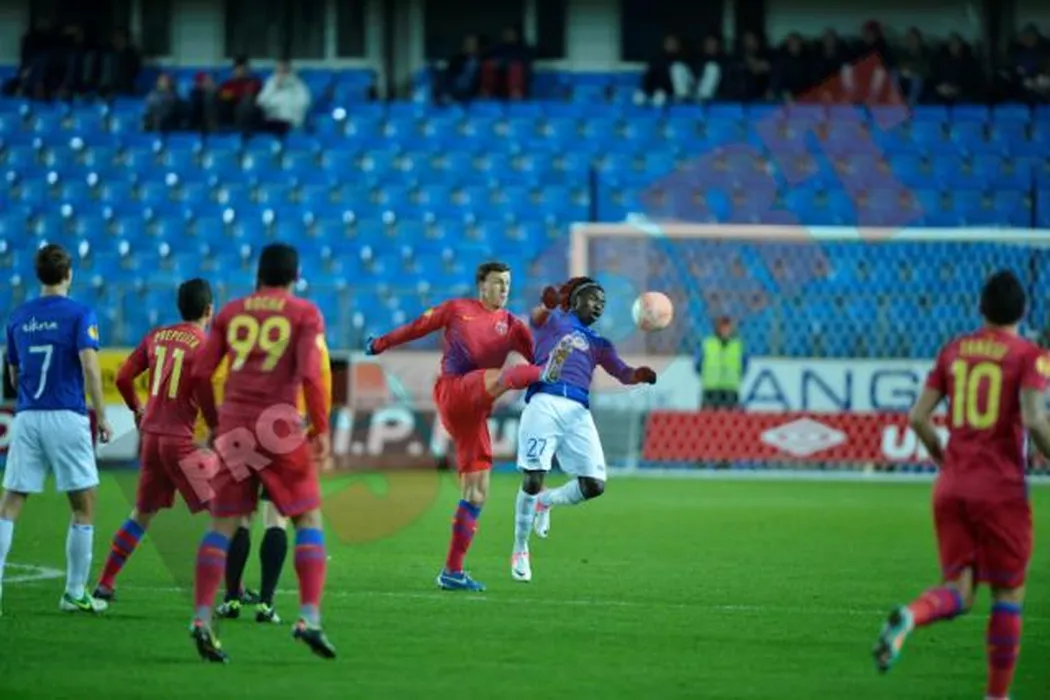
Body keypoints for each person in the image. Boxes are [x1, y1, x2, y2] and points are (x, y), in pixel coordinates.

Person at [872, 270, 1050, 700]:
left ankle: (911, 616)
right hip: (1001, 489)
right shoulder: (1030, 355)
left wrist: (945, 461)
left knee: (960, 591)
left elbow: (918, 418)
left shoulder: (954, 350)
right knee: (1007, 593)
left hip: (952, 487)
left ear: (980, 308)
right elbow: (1033, 419)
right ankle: (996, 696)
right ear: (1023, 311)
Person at [187, 243, 333, 662]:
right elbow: (311, 376)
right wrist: (320, 428)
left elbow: (200, 372)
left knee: (223, 525)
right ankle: (308, 617)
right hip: (281, 426)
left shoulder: (232, 312)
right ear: (295, 276)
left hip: (234, 425)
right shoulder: (304, 313)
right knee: (306, 518)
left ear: (259, 274)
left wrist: (215, 421)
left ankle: (202, 617)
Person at [365, 261, 543, 591]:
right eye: (497, 282)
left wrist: (551, 376)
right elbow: (416, 327)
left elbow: (537, 358)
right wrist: (381, 343)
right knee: (506, 376)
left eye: (507, 283)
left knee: (477, 493)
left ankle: (452, 571)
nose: (504, 288)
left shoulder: (513, 325)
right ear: (482, 286)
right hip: (454, 391)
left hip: (474, 412)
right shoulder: (457, 309)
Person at [510, 278, 656, 583]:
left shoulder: (599, 343)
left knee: (594, 485)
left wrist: (638, 375)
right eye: (593, 299)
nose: (599, 305)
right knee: (533, 478)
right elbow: (536, 318)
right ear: (575, 301)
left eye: (603, 303)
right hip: (544, 401)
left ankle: (546, 501)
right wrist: (546, 305)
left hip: (578, 411)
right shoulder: (555, 322)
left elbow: (622, 372)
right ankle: (520, 547)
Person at [0, 244, 112, 615]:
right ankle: (75, 593)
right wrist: (102, 415)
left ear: (39, 275)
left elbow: (13, 376)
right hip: (66, 415)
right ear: (69, 275)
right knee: (83, 505)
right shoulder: (80, 313)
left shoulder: (19, 316)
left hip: (28, 415)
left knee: (11, 503)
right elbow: (91, 367)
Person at [92, 279, 215, 600]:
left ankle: (106, 582)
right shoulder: (205, 345)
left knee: (142, 513)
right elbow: (206, 392)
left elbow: (122, 377)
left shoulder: (157, 335)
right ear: (209, 309)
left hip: (150, 441)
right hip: (180, 443)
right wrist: (216, 427)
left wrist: (137, 408)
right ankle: (233, 590)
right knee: (226, 512)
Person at [215, 315, 333, 624]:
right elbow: (320, 382)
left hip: (244, 424)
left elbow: (222, 375)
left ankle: (231, 599)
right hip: (285, 429)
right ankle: (266, 604)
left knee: (241, 516)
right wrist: (318, 429)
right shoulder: (310, 335)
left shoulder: (247, 329)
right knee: (276, 518)